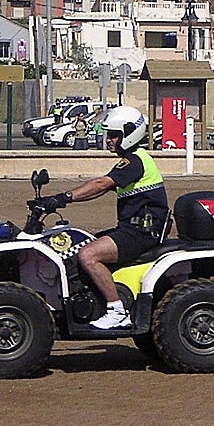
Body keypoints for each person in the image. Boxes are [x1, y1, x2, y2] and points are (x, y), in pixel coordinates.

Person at [31, 106, 168, 329]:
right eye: (109, 135)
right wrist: (62, 201)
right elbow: (99, 190)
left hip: (140, 233)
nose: (109, 140)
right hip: (132, 229)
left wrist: (62, 198)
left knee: (88, 255)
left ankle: (117, 310)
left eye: (114, 135)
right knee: (81, 242)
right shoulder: (134, 160)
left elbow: (100, 184)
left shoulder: (135, 161)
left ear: (129, 133)